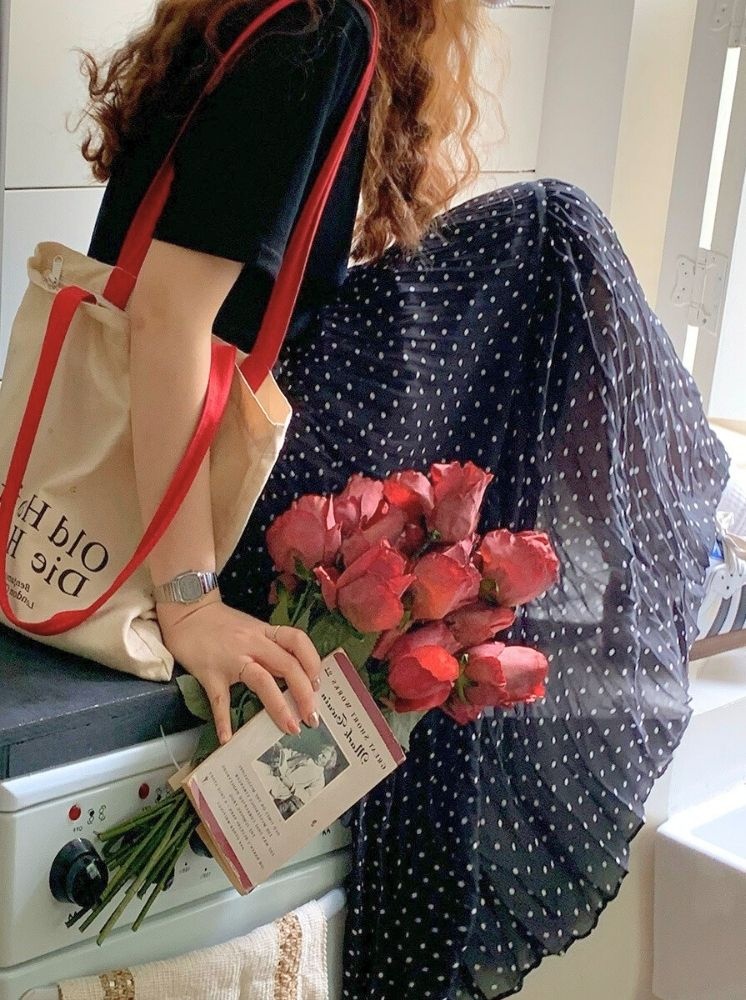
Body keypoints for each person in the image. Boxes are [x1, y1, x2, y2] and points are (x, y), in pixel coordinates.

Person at [78, 1, 730, 997]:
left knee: (550, 241)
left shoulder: (271, 20)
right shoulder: (318, 26)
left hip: (210, 463)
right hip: (231, 488)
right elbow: (167, 315)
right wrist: (191, 601)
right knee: (555, 227)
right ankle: (675, 559)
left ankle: (659, 556)